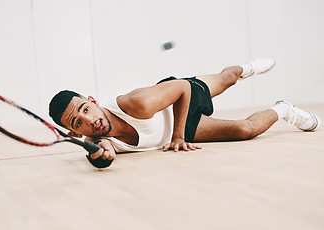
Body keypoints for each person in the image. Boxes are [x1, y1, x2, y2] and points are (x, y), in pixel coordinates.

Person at [49, 58, 321, 161]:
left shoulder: (136, 104)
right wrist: (101, 159)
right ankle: (285, 110)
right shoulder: (94, 139)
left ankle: (243, 69)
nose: (89, 121)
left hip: (180, 100)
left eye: (85, 109)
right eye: (77, 122)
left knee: (226, 79)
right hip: (180, 130)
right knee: (244, 129)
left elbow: (181, 88)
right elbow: (101, 157)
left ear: (93, 101)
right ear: (73, 131)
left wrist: (179, 136)